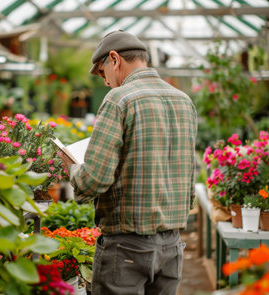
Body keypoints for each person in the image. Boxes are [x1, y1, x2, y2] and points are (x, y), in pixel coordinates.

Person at [57, 30, 197, 295]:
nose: (106, 82)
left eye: (102, 73)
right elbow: (189, 179)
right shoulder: (184, 101)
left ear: (114, 59)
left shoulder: (120, 99)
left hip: (127, 248)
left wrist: (72, 167)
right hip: (172, 247)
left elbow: (94, 180)